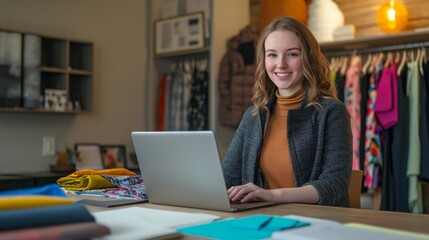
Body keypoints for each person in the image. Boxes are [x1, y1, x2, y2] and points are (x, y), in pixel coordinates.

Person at [221, 16, 352, 207]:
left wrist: (271, 195)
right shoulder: (253, 116)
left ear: (308, 58)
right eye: (272, 55)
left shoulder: (332, 113)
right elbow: (227, 178)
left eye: (291, 54)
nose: (280, 64)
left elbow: (334, 185)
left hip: (315, 224)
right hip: (261, 221)